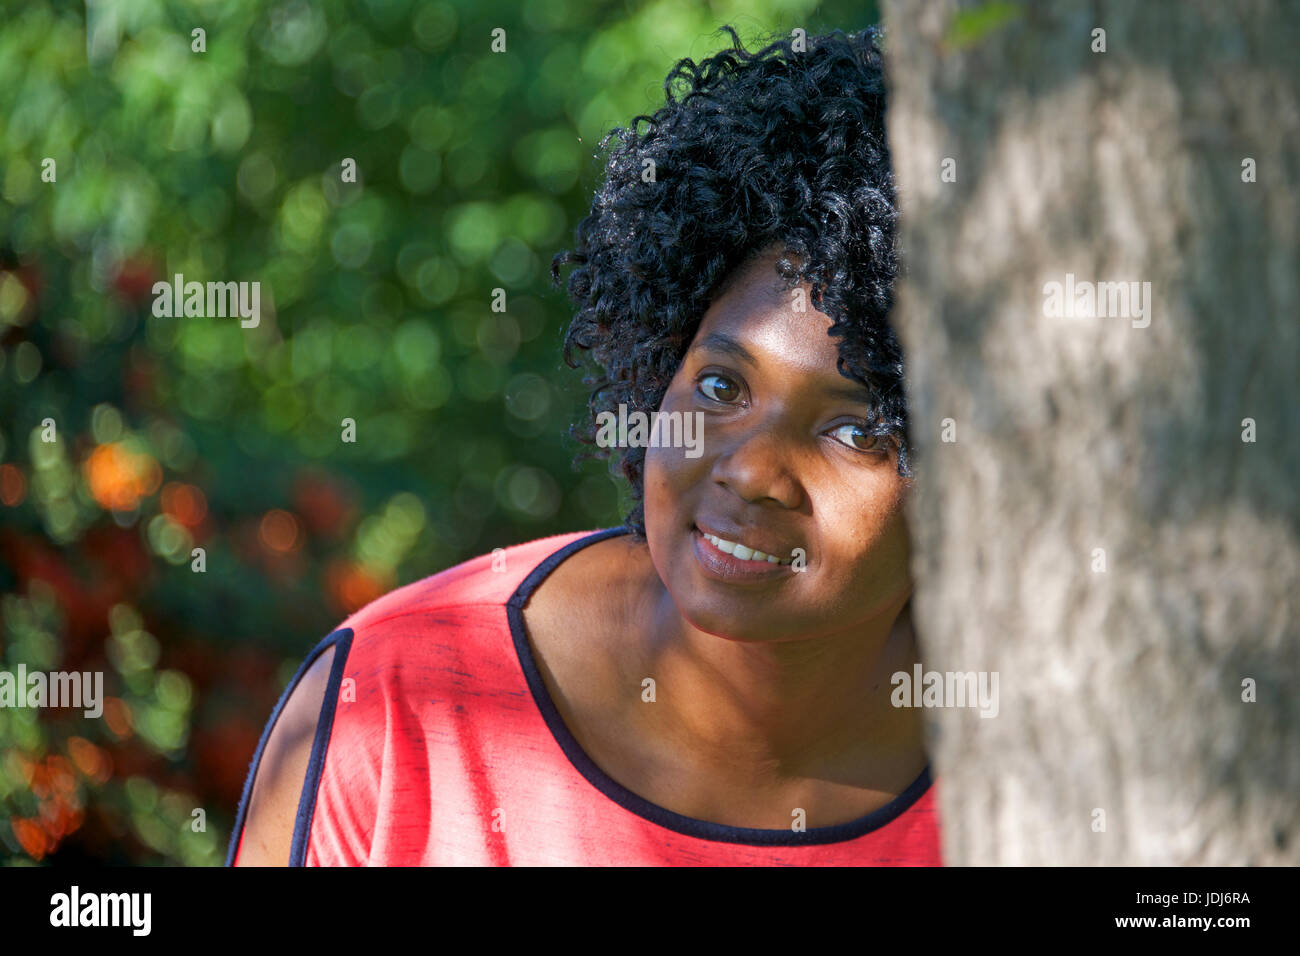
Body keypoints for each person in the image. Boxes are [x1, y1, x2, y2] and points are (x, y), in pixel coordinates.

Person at [229, 23, 941, 866]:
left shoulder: (1052, 743)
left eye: (856, 430)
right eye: (720, 387)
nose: (750, 471)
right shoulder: (397, 703)